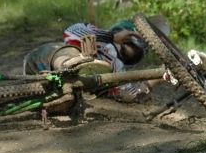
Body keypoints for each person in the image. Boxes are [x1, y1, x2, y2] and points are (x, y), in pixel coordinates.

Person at [23, 18, 155, 102]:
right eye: (130, 40)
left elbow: (129, 93)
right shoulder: (97, 35)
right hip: (43, 61)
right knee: (70, 51)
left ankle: (71, 88)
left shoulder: (119, 68)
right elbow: (72, 31)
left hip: (64, 89)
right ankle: (68, 67)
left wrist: (151, 83)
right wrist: (111, 37)